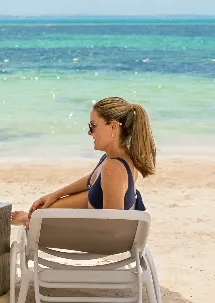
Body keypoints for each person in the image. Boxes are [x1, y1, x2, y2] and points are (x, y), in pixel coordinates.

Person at [12, 96, 155, 227]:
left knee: (36, 223)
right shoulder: (116, 160)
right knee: (87, 193)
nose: (89, 132)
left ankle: (35, 219)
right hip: (96, 232)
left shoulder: (114, 168)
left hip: (101, 241)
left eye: (93, 125)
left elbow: (112, 228)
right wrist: (56, 194)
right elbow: (92, 180)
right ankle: (36, 217)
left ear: (113, 127)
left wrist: (50, 227)